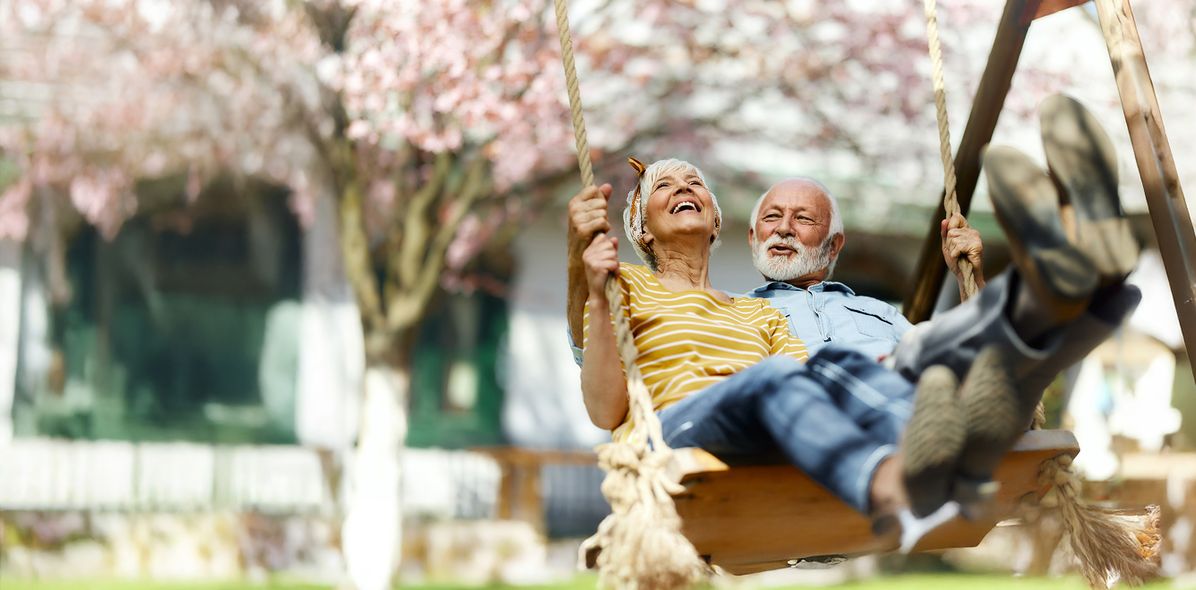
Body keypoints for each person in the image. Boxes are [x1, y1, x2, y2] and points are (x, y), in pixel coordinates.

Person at [570, 95, 1141, 540]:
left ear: (717, 223)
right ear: (640, 227)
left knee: (842, 364)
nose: (683, 187)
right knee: (782, 377)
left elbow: (815, 379)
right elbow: (604, 407)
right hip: (676, 435)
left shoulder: (752, 314)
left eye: (694, 181)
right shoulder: (622, 284)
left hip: (774, 430)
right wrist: (586, 271)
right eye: (663, 186)